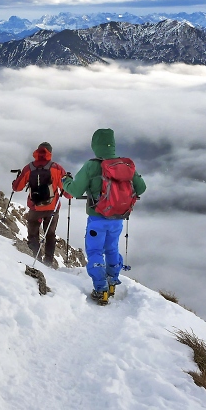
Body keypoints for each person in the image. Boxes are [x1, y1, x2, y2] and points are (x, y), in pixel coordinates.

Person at [63, 129, 146, 303]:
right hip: (118, 218)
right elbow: (142, 188)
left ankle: (100, 289)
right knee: (112, 249)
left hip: (97, 218)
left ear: (95, 145)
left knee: (94, 251)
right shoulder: (125, 165)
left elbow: (76, 190)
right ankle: (112, 281)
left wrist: (66, 181)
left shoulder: (92, 165)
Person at [12, 142, 70, 267]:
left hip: (35, 208)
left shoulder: (29, 168)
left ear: (37, 152)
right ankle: (48, 262)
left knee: (33, 234)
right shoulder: (57, 168)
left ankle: (36, 259)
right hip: (52, 209)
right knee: (50, 234)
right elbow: (68, 192)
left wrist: (15, 181)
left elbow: (17, 188)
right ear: (50, 153)